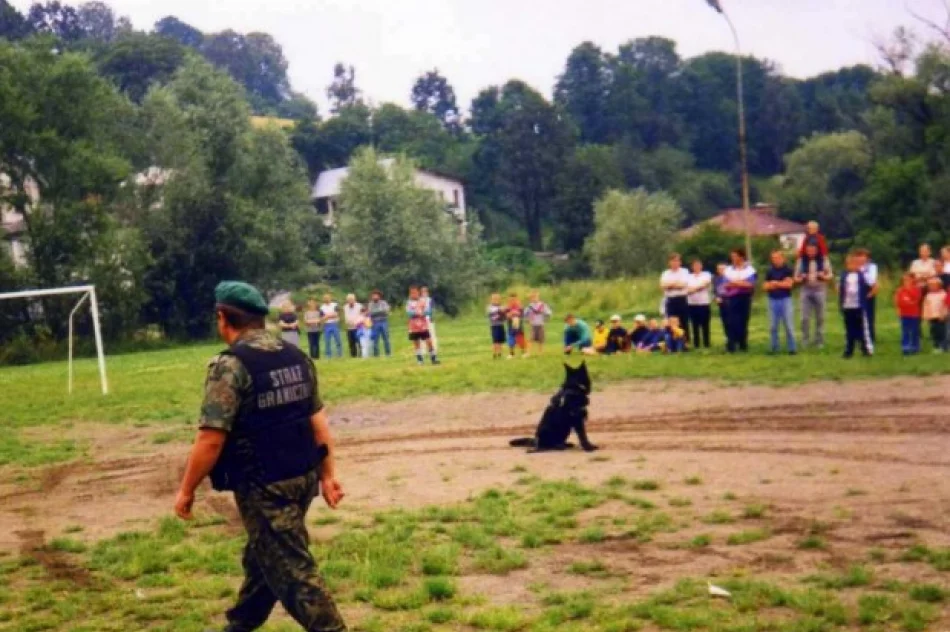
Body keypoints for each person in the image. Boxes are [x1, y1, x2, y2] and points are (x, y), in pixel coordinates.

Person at [175, 281, 346, 632]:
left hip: (265, 483)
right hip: (302, 476)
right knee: (264, 559)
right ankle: (239, 626)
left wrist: (187, 489)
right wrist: (327, 475)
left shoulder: (231, 366)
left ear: (223, 318)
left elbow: (210, 439)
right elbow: (318, 423)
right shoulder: (295, 356)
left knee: (295, 574)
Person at [795, 242, 833, 348]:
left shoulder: (824, 260)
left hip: (819, 289)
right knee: (804, 317)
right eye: (808, 250)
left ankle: (819, 340)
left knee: (820, 317)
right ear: (806, 251)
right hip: (806, 290)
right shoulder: (801, 261)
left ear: (817, 250)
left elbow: (830, 275)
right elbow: (795, 278)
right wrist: (801, 278)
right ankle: (805, 340)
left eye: (813, 250)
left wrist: (824, 277)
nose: (810, 253)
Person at [839, 254, 873, 358]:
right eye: (849, 264)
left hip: (858, 306)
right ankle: (849, 350)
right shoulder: (844, 275)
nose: (852, 266)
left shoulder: (861, 275)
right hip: (847, 305)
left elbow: (872, 285)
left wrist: (866, 297)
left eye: (854, 264)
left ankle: (865, 349)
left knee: (861, 328)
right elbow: (841, 289)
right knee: (849, 329)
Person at [764, 250, 797, 355]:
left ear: (783, 258)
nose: (775, 260)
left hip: (785, 299)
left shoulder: (788, 270)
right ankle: (774, 347)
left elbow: (789, 285)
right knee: (773, 326)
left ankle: (792, 348)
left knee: (788, 325)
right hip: (772, 299)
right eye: (773, 258)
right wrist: (779, 283)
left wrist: (775, 283)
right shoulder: (769, 271)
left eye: (777, 258)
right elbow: (765, 286)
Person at [723, 249, 757, 353]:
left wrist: (735, 283)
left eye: (735, 256)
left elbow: (750, 284)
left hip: (745, 297)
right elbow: (726, 284)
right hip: (732, 298)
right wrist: (741, 283)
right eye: (732, 256)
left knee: (743, 321)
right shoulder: (728, 270)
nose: (733, 258)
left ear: (741, 257)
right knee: (732, 321)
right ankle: (731, 345)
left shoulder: (749, 270)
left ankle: (743, 344)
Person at [660, 253, 691, 344]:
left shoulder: (684, 271)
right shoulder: (665, 273)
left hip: (681, 299)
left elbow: (683, 285)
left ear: (680, 262)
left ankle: (685, 341)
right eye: (673, 261)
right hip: (670, 300)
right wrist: (675, 284)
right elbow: (662, 286)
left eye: (677, 261)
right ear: (669, 262)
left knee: (683, 320)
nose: (675, 263)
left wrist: (670, 285)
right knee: (671, 320)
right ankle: (672, 340)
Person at [406, 286, 439, 365]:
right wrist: (417, 313)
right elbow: (409, 313)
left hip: (423, 325)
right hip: (414, 326)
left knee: (429, 341)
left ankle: (433, 358)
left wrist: (423, 313)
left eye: (415, 293)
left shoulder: (422, 301)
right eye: (412, 293)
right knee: (416, 343)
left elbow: (428, 311)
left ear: (418, 293)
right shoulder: (409, 303)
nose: (413, 294)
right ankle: (420, 360)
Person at [854, 248, 880, 343]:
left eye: (863, 256)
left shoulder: (872, 267)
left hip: (868, 290)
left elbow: (871, 280)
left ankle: (870, 336)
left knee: (869, 315)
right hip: (856, 291)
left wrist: (861, 272)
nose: (860, 259)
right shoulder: (853, 267)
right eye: (858, 256)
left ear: (867, 258)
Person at [686, 259, 713, 349]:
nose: (697, 267)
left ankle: (706, 343)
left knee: (705, 324)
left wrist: (693, 289)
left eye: (698, 265)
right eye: (695, 265)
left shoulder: (706, 275)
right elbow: (686, 289)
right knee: (694, 325)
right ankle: (696, 344)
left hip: (704, 303)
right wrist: (695, 289)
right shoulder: (688, 276)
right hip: (692, 304)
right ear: (692, 267)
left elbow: (705, 284)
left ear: (701, 266)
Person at [895, 272, 923, 355]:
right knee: (905, 331)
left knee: (915, 331)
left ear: (912, 280)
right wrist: (901, 308)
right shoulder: (900, 290)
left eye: (908, 279)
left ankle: (915, 347)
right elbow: (899, 302)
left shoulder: (916, 289)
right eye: (904, 280)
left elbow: (916, 300)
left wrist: (908, 292)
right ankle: (905, 347)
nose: (906, 281)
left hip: (914, 313)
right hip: (904, 314)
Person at [922, 277, 948, 353]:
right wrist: (926, 316)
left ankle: (943, 346)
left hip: (941, 317)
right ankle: (936, 345)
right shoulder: (928, 296)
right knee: (933, 331)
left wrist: (944, 315)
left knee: (942, 332)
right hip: (932, 317)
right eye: (930, 286)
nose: (932, 287)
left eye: (934, 285)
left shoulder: (943, 294)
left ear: (939, 286)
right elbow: (926, 306)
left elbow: (945, 306)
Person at [524, 291, 553, 355]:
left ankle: (540, 352)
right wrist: (527, 319)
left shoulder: (542, 305)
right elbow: (525, 314)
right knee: (530, 339)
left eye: (535, 297)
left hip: (540, 324)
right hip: (533, 325)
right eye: (532, 297)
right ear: (530, 298)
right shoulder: (529, 306)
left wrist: (547, 317)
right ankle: (528, 353)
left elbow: (549, 312)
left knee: (541, 339)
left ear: (538, 297)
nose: (534, 299)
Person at [367, 290, 391, 357]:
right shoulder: (370, 304)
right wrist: (380, 311)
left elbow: (386, 311)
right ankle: (376, 355)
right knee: (375, 339)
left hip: (384, 322)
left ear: (379, 296)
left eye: (376, 295)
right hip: (375, 323)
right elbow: (370, 313)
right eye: (373, 295)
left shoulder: (384, 303)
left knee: (386, 338)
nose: (374, 297)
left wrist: (376, 312)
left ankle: (388, 354)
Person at [320, 294, 343, 359]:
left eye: (328, 298)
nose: (326, 299)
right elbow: (322, 318)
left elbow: (336, 314)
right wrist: (330, 315)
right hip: (326, 325)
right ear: (323, 299)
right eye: (325, 298)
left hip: (334, 324)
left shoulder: (335, 305)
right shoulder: (322, 307)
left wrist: (327, 316)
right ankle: (328, 355)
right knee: (327, 341)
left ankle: (340, 354)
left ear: (330, 298)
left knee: (338, 340)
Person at [713, 263, 731, 347]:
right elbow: (715, 290)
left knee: (731, 321)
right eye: (719, 269)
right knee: (724, 322)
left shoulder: (730, 278)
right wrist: (716, 297)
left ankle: (734, 339)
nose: (721, 270)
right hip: (721, 302)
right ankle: (727, 338)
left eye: (723, 269)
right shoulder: (716, 279)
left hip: (730, 301)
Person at [506, 294, 528, 358]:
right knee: (511, 340)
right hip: (511, 327)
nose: (513, 301)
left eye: (514, 300)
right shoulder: (508, 308)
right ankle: (511, 354)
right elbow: (506, 316)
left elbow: (523, 315)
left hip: (519, 327)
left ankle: (524, 352)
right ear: (509, 300)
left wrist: (517, 313)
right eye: (511, 300)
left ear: (517, 300)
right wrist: (510, 314)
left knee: (521, 339)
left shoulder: (520, 308)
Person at [343, 294, 363, 359]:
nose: (350, 301)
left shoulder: (359, 306)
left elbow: (361, 315)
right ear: (347, 301)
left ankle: (361, 355)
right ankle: (353, 356)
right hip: (349, 328)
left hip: (358, 327)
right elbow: (346, 317)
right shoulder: (345, 307)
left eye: (352, 300)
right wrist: (348, 322)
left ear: (354, 300)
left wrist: (356, 322)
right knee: (351, 343)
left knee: (359, 342)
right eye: (349, 300)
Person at [487, 293, 507, 359]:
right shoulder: (490, 307)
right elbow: (494, 312)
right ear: (491, 300)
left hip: (500, 325)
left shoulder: (500, 306)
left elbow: (504, 317)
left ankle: (500, 353)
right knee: (495, 341)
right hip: (494, 326)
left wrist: (505, 314)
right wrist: (501, 310)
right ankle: (494, 354)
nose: (496, 301)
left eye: (498, 299)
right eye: (494, 299)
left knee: (500, 341)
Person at [420, 286, 438, 353]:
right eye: (423, 292)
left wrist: (428, 313)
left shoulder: (430, 300)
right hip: (421, 320)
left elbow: (432, 310)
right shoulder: (419, 300)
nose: (424, 293)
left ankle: (434, 348)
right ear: (421, 293)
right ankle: (423, 350)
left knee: (432, 334)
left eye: (425, 292)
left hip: (429, 319)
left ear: (427, 292)